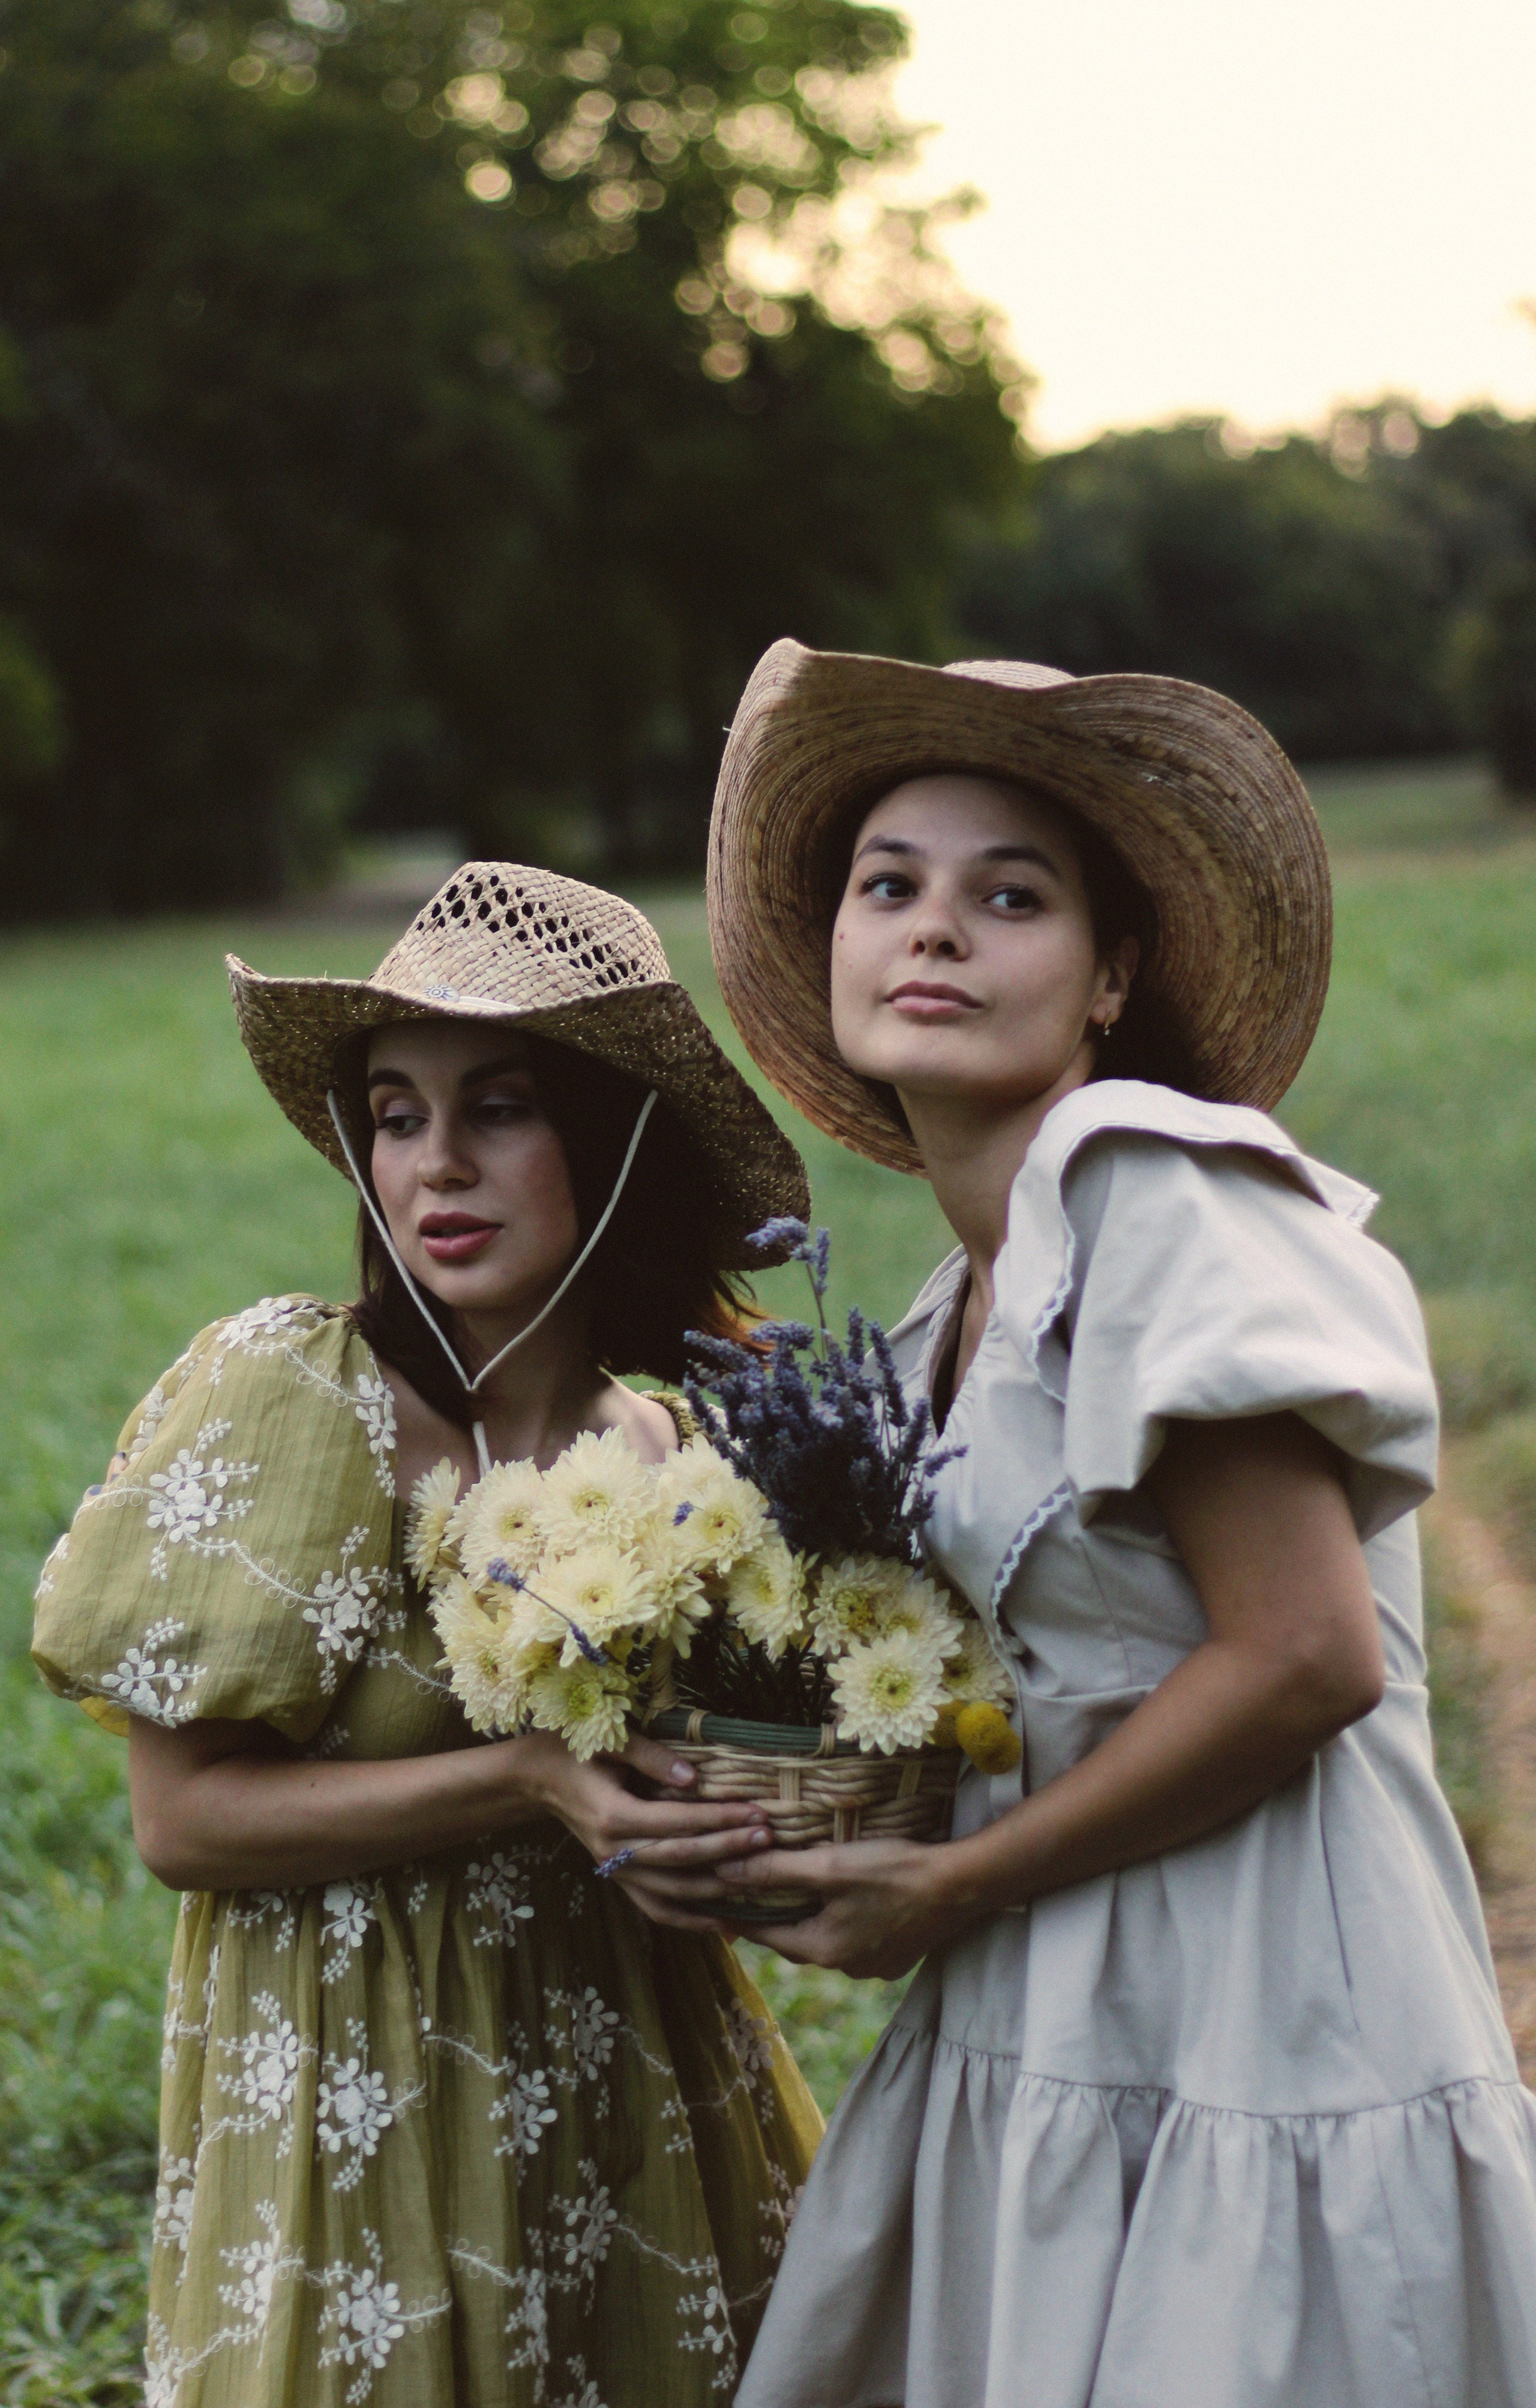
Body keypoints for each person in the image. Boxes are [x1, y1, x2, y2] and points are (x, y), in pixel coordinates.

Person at [706, 641, 1536, 2407]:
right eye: (890, 886)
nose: (934, 930)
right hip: (1052, 2003)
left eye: (1010, 898)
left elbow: (1305, 1657)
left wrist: (951, 1884)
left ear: (1110, 977)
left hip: (1270, 2006)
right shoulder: (945, 1311)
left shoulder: (1152, 1192)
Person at [32, 863, 823, 2408]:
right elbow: (181, 1821)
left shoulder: (678, 1459)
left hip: (624, 2107)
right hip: (355, 2112)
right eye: (396, 1115)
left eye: (500, 1108)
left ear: (606, 1142)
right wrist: (524, 1778)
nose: (435, 1167)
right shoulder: (301, 1402)